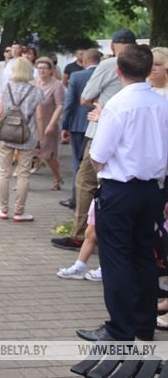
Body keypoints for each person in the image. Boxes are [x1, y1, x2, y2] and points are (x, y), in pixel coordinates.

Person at [77, 44, 168, 342]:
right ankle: (144, 323)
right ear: (148, 69)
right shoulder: (162, 104)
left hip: (120, 189)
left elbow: (99, 155)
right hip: (153, 189)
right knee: (143, 254)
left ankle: (120, 327)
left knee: (116, 258)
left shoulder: (118, 104)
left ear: (118, 71)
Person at [52, 29, 137, 251]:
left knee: (85, 181)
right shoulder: (144, 63)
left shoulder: (110, 65)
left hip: (102, 130)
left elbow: (85, 98)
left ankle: (81, 234)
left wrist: (101, 104)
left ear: (112, 46)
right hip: (133, 136)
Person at [0, 57, 44, 222]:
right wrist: (40, 138)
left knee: (4, 173)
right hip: (27, 136)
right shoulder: (36, 91)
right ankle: (19, 211)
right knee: (23, 174)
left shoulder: (5, 88)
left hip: (6, 135)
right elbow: (39, 117)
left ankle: (3, 209)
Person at [59, 49, 100, 209]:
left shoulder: (77, 76)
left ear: (84, 61)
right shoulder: (110, 76)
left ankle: (76, 199)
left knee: (78, 163)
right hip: (98, 125)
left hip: (78, 125)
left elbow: (69, 103)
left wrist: (65, 125)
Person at [32, 57, 65, 190]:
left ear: (51, 70)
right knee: (28, 153)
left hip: (47, 122)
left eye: (44, 68)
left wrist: (52, 124)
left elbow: (59, 106)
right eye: (39, 68)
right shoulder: (34, 83)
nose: (41, 71)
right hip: (33, 124)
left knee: (48, 155)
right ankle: (22, 180)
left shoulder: (57, 85)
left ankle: (57, 177)